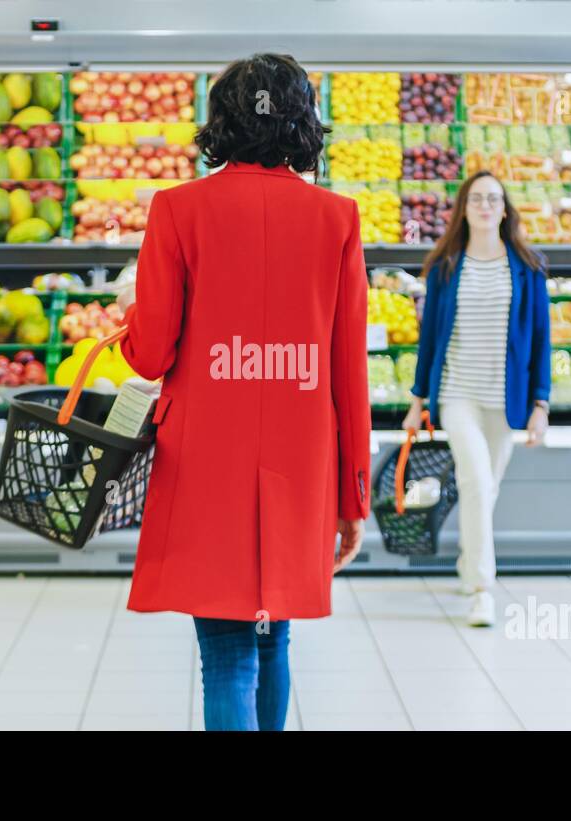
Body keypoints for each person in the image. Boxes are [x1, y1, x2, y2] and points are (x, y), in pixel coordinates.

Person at [115, 54, 371, 731]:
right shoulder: (338, 218)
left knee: (226, 653)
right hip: (302, 459)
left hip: (206, 459)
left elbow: (150, 353)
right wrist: (353, 494)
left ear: (220, 119)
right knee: (273, 635)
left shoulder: (177, 210)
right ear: (302, 121)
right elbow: (350, 370)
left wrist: (130, 318)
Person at [405, 171, 551, 628]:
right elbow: (429, 338)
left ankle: (469, 564)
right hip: (458, 394)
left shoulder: (527, 269)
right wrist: (418, 399)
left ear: (505, 209)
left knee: (487, 487)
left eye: (494, 199)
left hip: (506, 399)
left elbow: (543, 340)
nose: (486, 206)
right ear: (464, 210)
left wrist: (541, 405)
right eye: (477, 199)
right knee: (474, 481)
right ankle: (483, 590)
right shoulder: (447, 267)